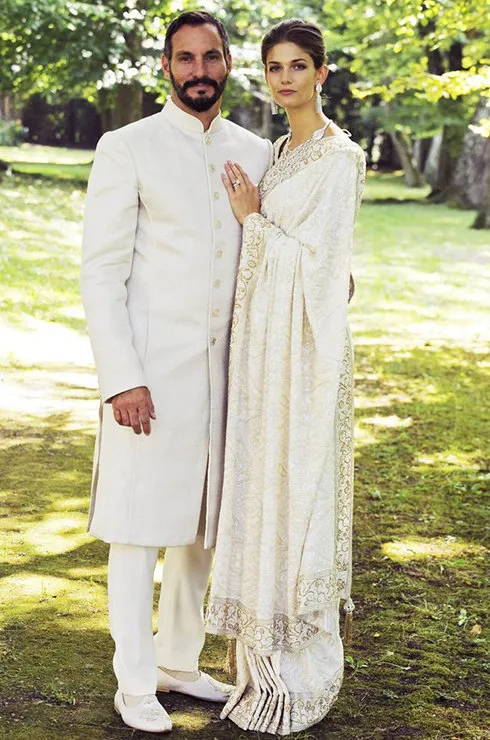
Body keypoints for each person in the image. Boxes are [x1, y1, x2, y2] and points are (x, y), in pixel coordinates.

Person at [80, 10, 272, 734]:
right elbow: (101, 274)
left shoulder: (257, 152)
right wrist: (121, 377)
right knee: (137, 531)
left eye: (210, 57)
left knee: (202, 530)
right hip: (149, 378)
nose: (199, 70)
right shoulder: (127, 147)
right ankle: (134, 682)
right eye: (185, 58)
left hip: (229, 380)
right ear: (166, 66)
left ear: (228, 64)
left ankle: (178, 662)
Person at [205, 19, 365, 735]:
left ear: (322, 73)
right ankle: (257, 654)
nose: (285, 79)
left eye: (299, 66)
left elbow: (324, 271)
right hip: (263, 351)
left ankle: (299, 663)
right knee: (263, 478)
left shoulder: (340, 156)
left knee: (298, 482)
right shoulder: (277, 152)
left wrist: (253, 220)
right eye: (274, 67)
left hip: (305, 352)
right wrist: (259, 223)